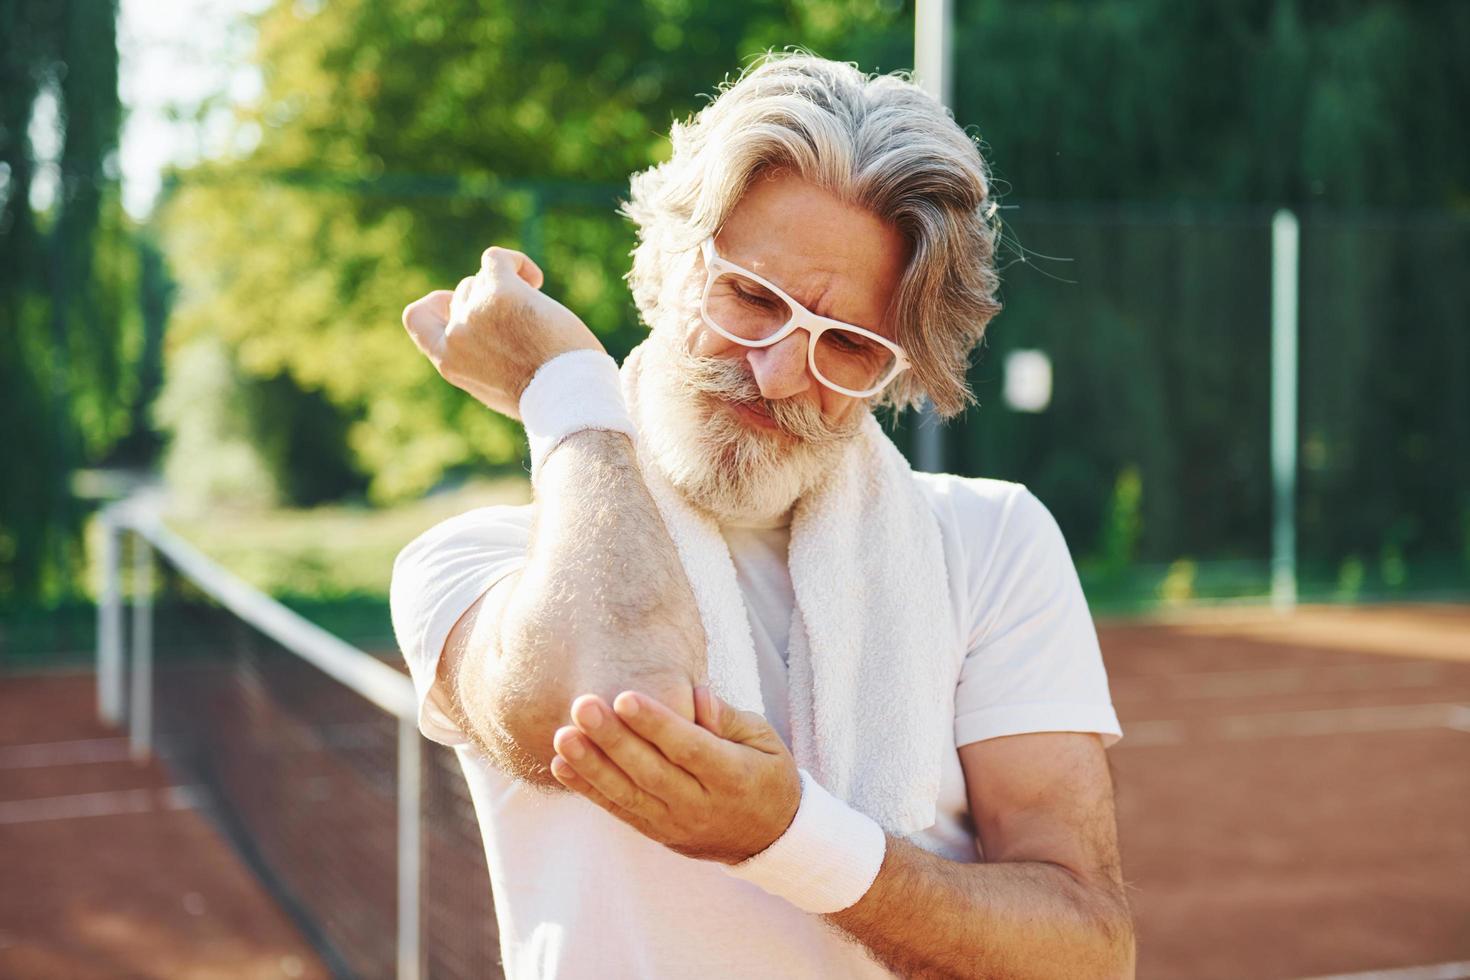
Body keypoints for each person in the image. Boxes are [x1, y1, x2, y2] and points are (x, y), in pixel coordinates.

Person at [391, 52, 1134, 979]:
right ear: (668, 263)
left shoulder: (991, 543)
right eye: (750, 297)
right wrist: (566, 387)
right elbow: (634, 701)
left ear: (896, 375)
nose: (779, 373)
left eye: (849, 347)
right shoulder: (480, 561)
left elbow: (1086, 951)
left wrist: (790, 838)